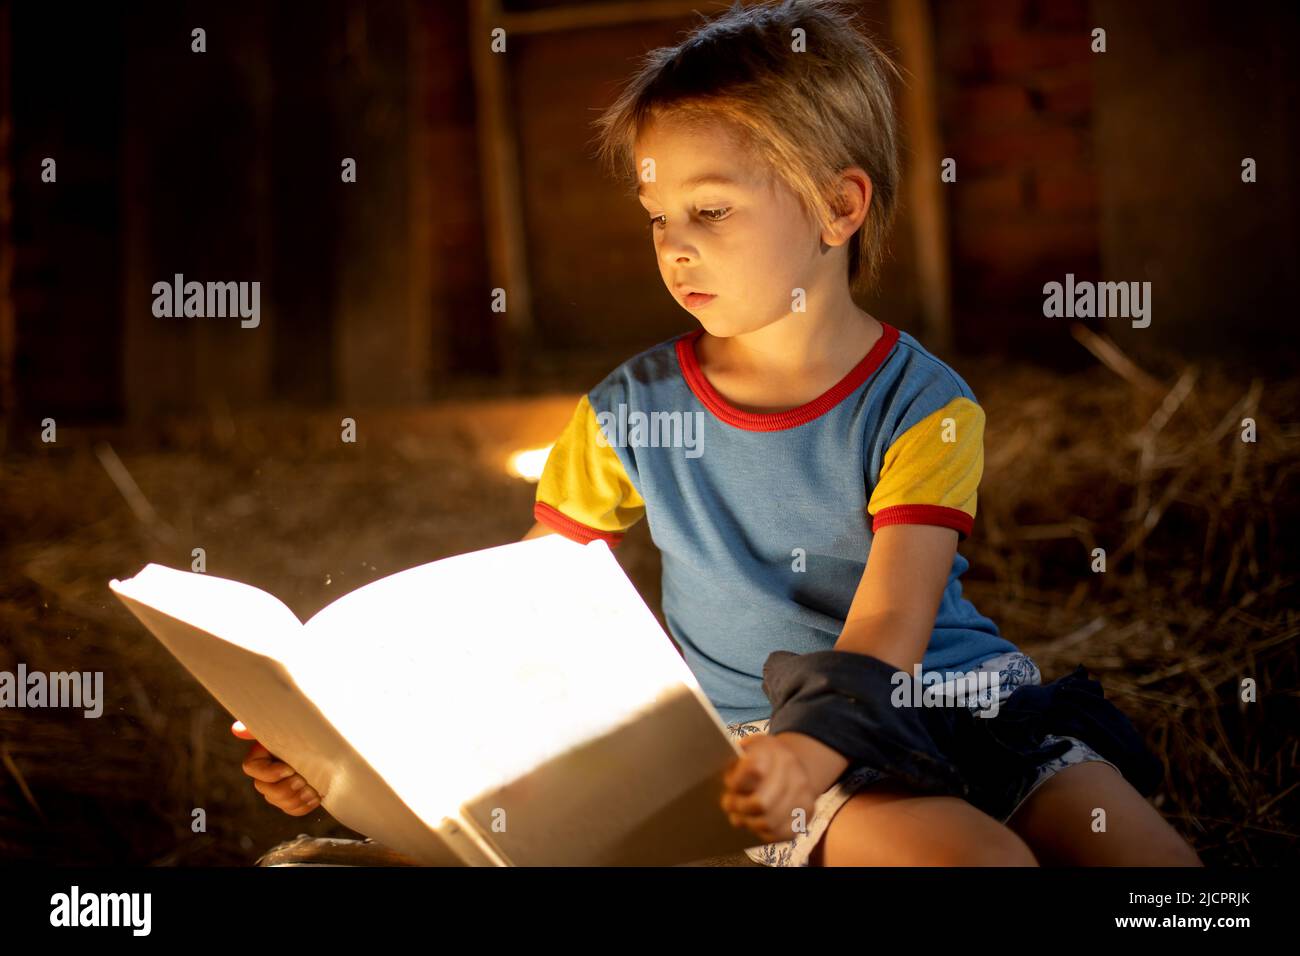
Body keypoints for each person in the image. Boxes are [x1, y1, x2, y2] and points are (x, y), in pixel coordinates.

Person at [239, 0, 1201, 867]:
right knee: (974, 863)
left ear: (839, 205)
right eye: (657, 216)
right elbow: (522, 606)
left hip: (961, 705)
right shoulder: (625, 413)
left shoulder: (925, 406)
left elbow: (888, 631)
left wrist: (808, 746)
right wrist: (346, 740)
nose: (674, 244)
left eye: (709, 209)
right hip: (770, 752)